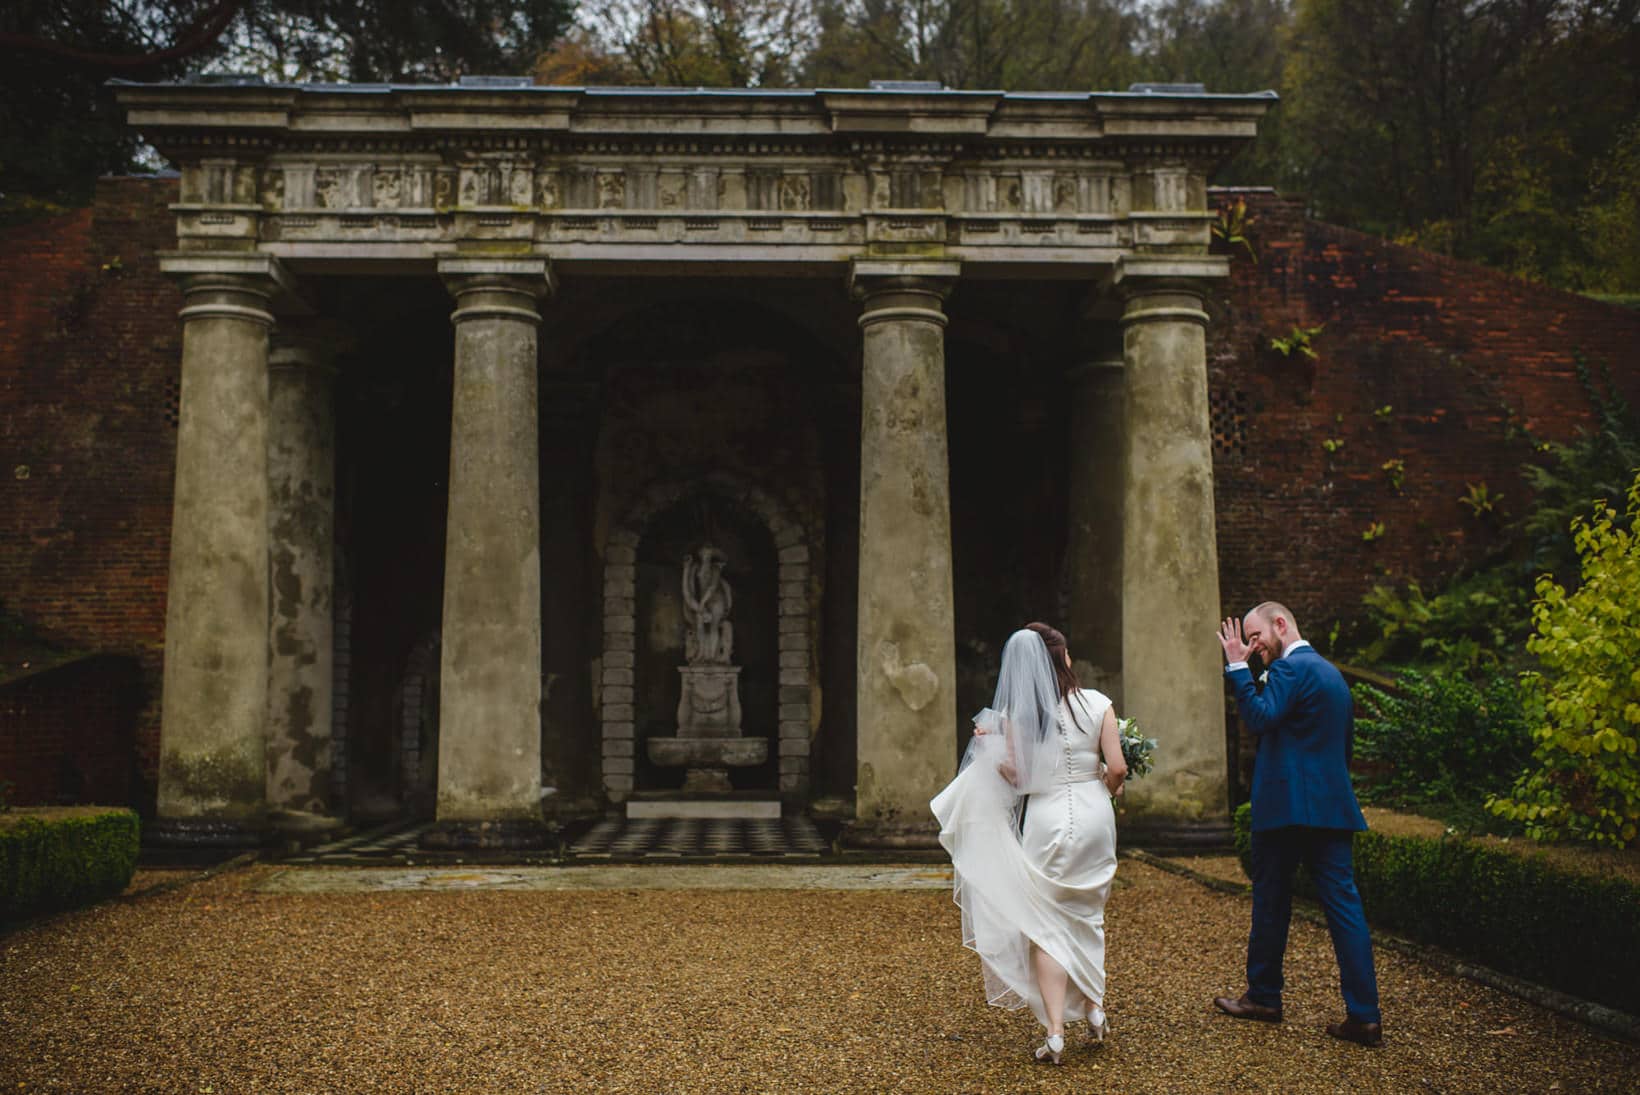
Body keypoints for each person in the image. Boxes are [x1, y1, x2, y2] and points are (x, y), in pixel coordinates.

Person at [930, 622, 1127, 1066]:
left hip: (1046, 818)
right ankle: (1094, 1009)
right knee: (1088, 916)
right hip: (1095, 817)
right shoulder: (1097, 704)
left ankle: (1056, 1033)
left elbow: (1019, 780)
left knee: (1046, 926)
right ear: (1063, 659)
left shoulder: (1023, 719)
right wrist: (1106, 788)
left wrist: (991, 752)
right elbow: (1117, 768)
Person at [1213, 601, 1384, 1047]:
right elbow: (1342, 748)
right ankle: (1365, 1016)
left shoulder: (1291, 670)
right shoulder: (1333, 676)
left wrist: (1236, 668)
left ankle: (1264, 997)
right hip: (1331, 810)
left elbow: (1259, 717)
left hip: (1285, 811)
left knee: (1271, 902)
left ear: (1281, 624)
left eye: (1256, 638)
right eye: (1247, 642)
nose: (1254, 648)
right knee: (1345, 910)